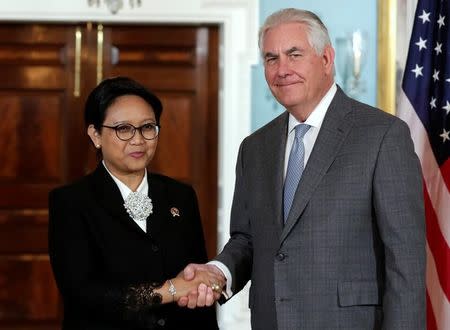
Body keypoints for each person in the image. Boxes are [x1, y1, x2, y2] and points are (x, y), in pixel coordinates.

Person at [178, 8, 426, 329]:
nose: (282, 69)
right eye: (271, 58)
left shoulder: (382, 135)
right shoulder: (254, 148)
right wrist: (218, 272)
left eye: (294, 54)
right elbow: (248, 240)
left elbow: (405, 260)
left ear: (326, 59)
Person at [48, 76, 221, 330]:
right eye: (123, 129)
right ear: (95, 134)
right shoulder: (71, 202)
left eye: (147, 127)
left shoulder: (180, 195)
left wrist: (204, 287)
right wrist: (171, 289)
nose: (138, 139)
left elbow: (195, 279)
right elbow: (82, 294)